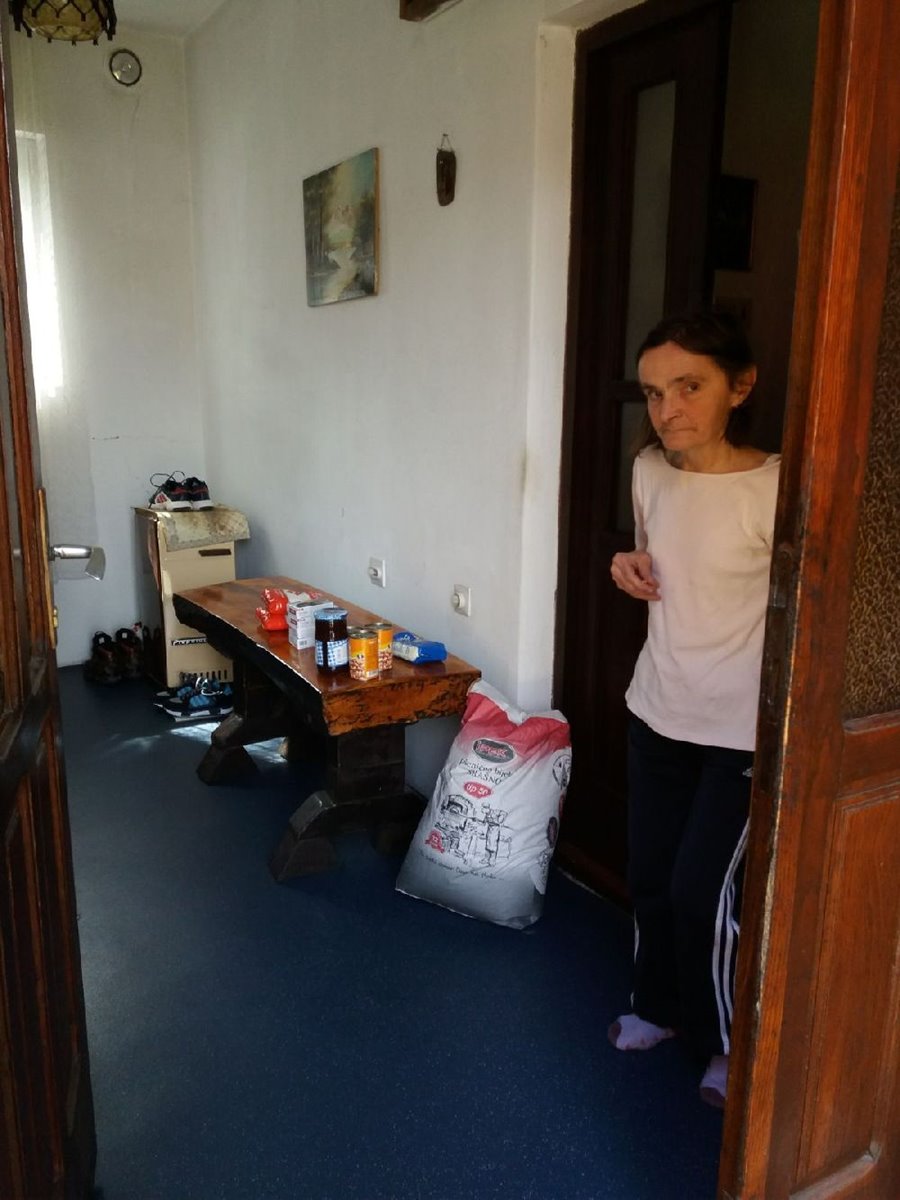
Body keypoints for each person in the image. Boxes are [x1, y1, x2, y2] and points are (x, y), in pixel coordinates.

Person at [607, 311, 780, 1109]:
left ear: (739, 388)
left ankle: (723, 1042)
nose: (667, 409)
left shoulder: (777, 486)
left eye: (689, 387)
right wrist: (627, 564)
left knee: (701, 892)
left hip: (737, 731)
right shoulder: (649, 469)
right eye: (653, 392)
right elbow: (652, 554)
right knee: (649, 877)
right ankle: (658, 1007)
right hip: (657, 708)